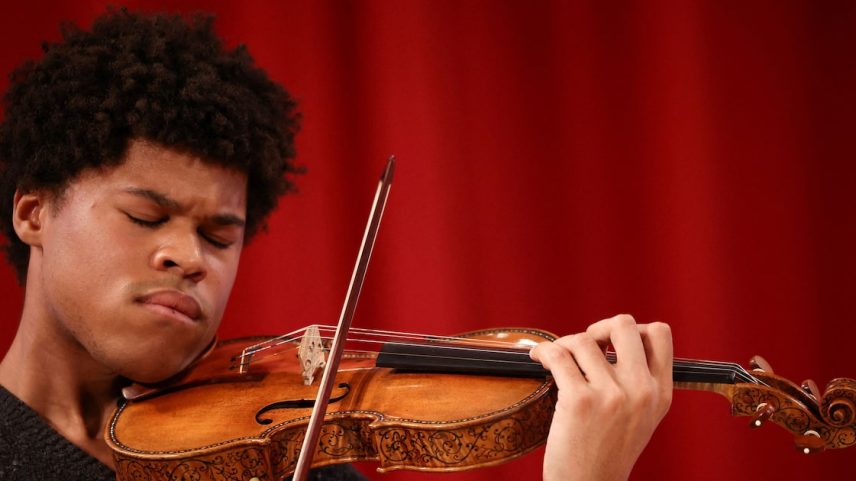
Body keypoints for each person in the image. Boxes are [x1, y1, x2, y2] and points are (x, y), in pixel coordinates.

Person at [0, 9, 673, 481]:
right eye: (146, 216)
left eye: (219, 235)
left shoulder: (282, 458)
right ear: (33, 213)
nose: (191, 257)